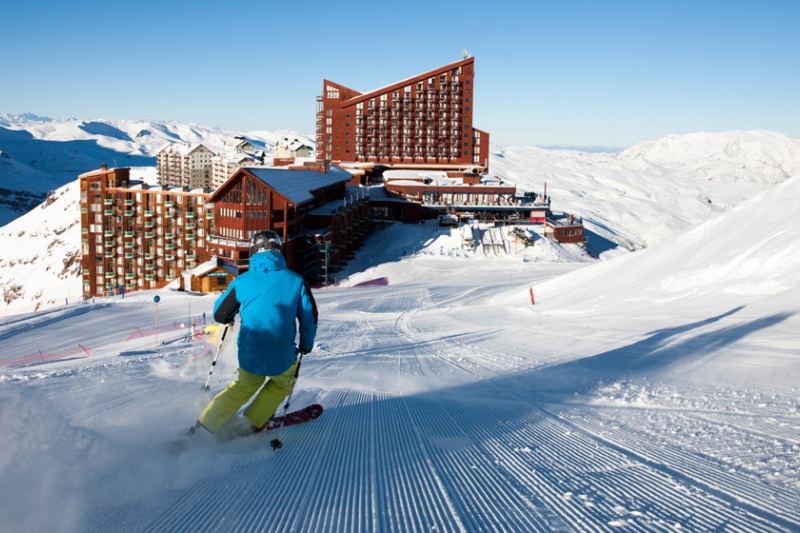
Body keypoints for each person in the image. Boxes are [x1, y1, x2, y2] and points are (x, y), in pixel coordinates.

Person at [192, 230, 318, 439]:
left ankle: (205, 425)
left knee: (242, 387)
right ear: (279, 250)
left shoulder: (242, 281)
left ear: (253, 251)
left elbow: (220, 314)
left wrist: (230, 315)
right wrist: (306, 344)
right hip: (283, 355)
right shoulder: (295, 281)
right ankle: (251, 423)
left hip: (251, 355)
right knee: (280, 384)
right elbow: (309, 317)